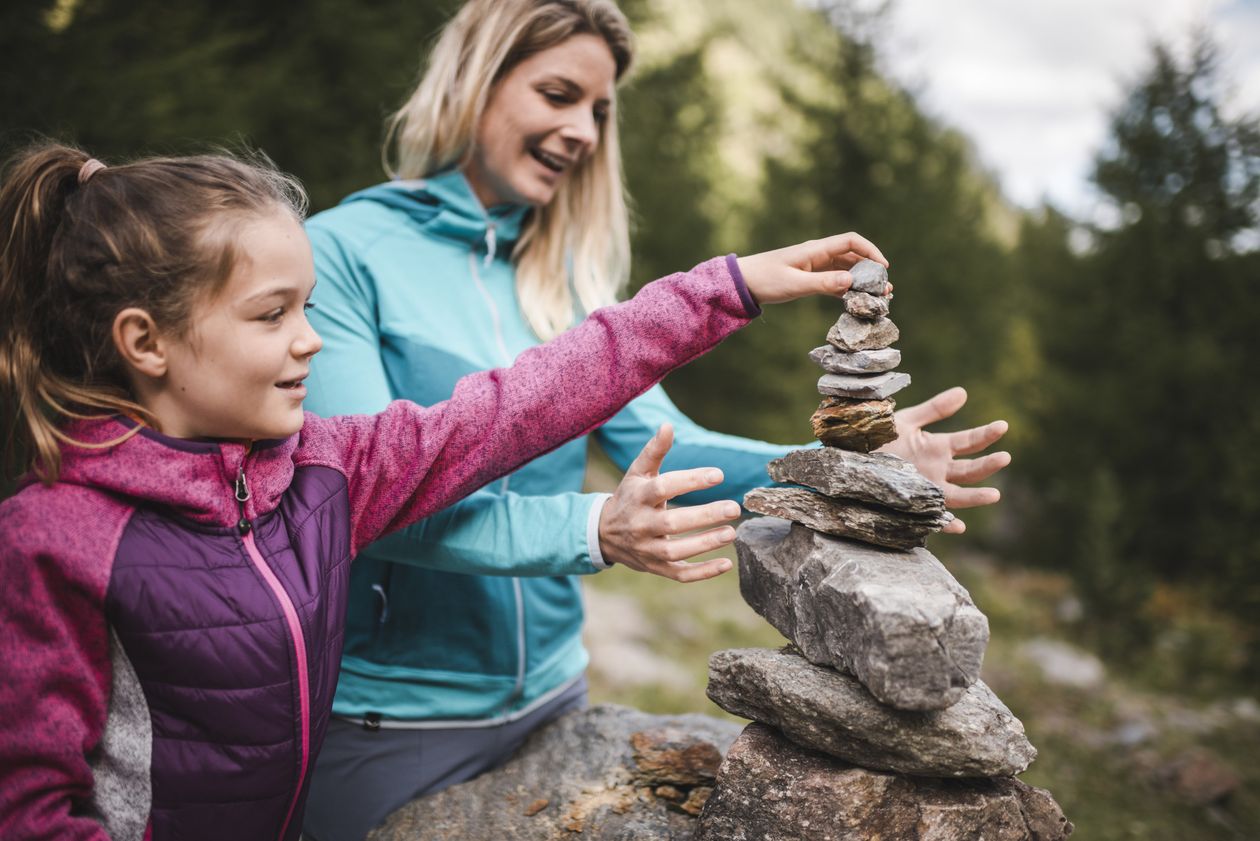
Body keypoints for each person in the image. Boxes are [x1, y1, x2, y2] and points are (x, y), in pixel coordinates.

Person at [0, 141, 888, 841]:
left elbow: (517, 406)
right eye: (272, 315)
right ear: (144, 342)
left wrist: (721, 290)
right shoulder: (51, 538)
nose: (310, 341)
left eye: (309, 308)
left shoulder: (322, 471)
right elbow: (29, 805)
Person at [299, 1, 1011, 838]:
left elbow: (675, 447)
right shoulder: (341, 256)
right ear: (472, 80)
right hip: (391, 723)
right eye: (558, 94)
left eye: (598, 110)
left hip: (556, 699)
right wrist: (590, 527)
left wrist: (851, 465)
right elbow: (357, 503)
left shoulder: (566, 279)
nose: (584, 132)